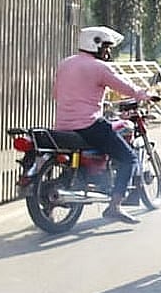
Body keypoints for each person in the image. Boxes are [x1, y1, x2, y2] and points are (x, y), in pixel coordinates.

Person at [52, 26, 151, 225]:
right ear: (95, 45)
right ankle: (115, 206)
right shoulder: (98, 67)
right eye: (106, 47)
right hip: (89, 126)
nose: (108, 52)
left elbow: (56, 94)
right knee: (129, 158)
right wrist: (143, 94)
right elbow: (124, 86)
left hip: (62, 126)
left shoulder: (65, 64)